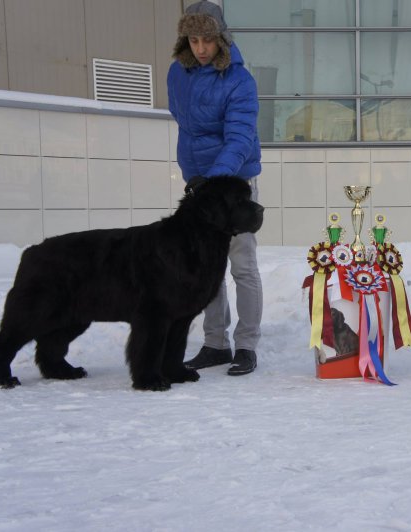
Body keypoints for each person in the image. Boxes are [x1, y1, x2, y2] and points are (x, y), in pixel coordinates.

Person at [167, 0, 262, 375]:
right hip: (199, 185)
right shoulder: (177, 74)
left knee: (242, 265)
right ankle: (215, 344)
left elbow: (239, 137)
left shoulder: (240, 80)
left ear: (220, 38)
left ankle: (246, 346)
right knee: (206, 267)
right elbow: (185, 126)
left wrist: (215, 181)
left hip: (233, 184)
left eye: (207, 39)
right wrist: (195, 178)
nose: (201, 48)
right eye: (194, 40)